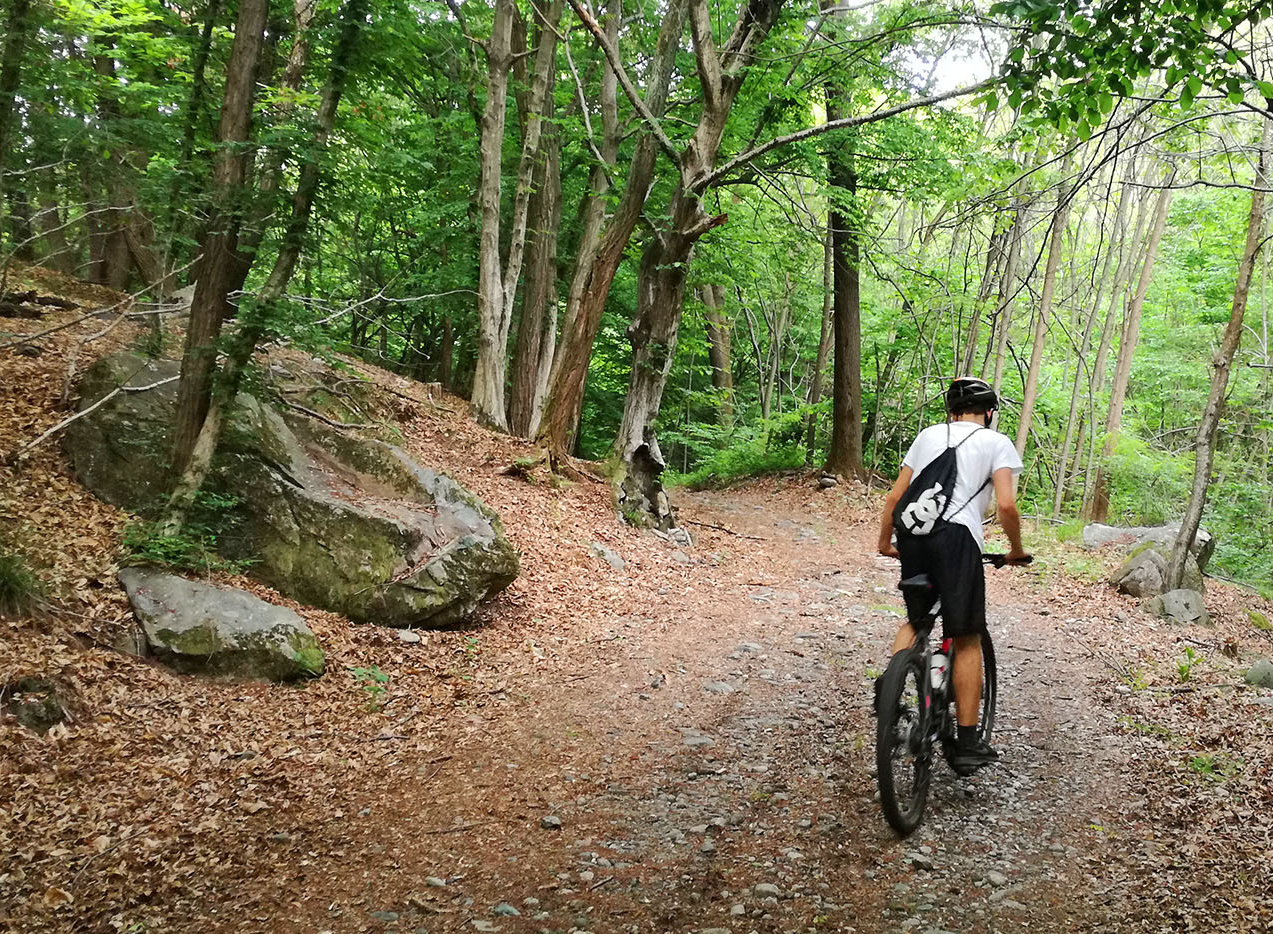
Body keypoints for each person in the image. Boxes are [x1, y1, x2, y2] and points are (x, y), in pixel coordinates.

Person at [876, 376, 1030, 774]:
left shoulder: (928, 435)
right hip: (957, 539)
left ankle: (890, 691)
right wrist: (1015, 549)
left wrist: (884, 542)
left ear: (951, 410)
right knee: (965, 636)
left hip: (913, 534)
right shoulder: (996, 443)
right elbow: (1008, 507)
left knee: (917, 618)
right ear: (989, 413)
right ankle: (965, 742)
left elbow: (895, 497)